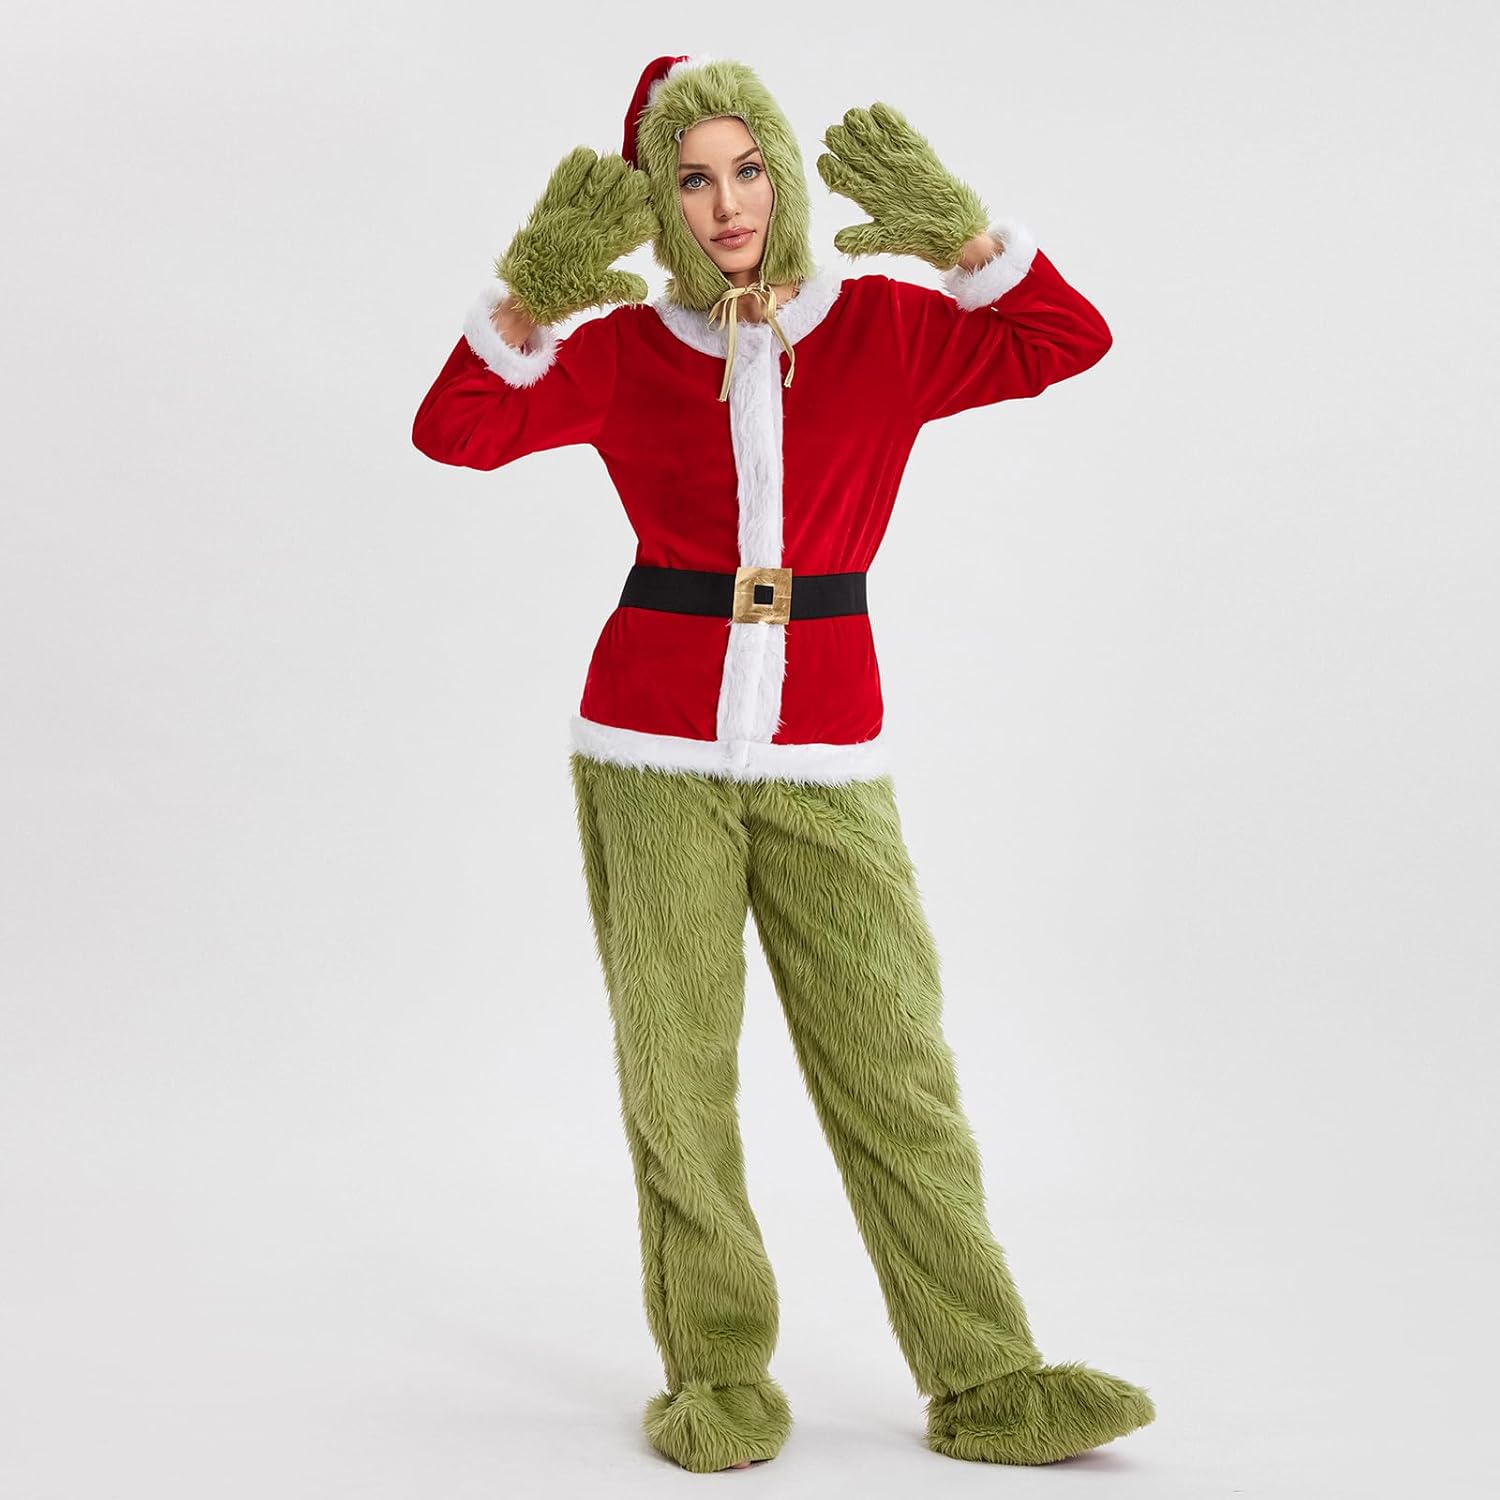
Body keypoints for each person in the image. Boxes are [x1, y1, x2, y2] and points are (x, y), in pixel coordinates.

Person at [413, 52, 1156, 1475]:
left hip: (828, 746)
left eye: (747, 168)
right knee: (679, 1080)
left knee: (896, 1065)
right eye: (691, 179)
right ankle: (717, 1376)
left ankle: (989, 1377)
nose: (727, 203)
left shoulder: (882, 330)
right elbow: (457, 430)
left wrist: (963, 240)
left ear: (787, 176)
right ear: (659, 204)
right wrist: (530, 295)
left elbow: (1067, 339)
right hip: (650, 749)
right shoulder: (627, 354)